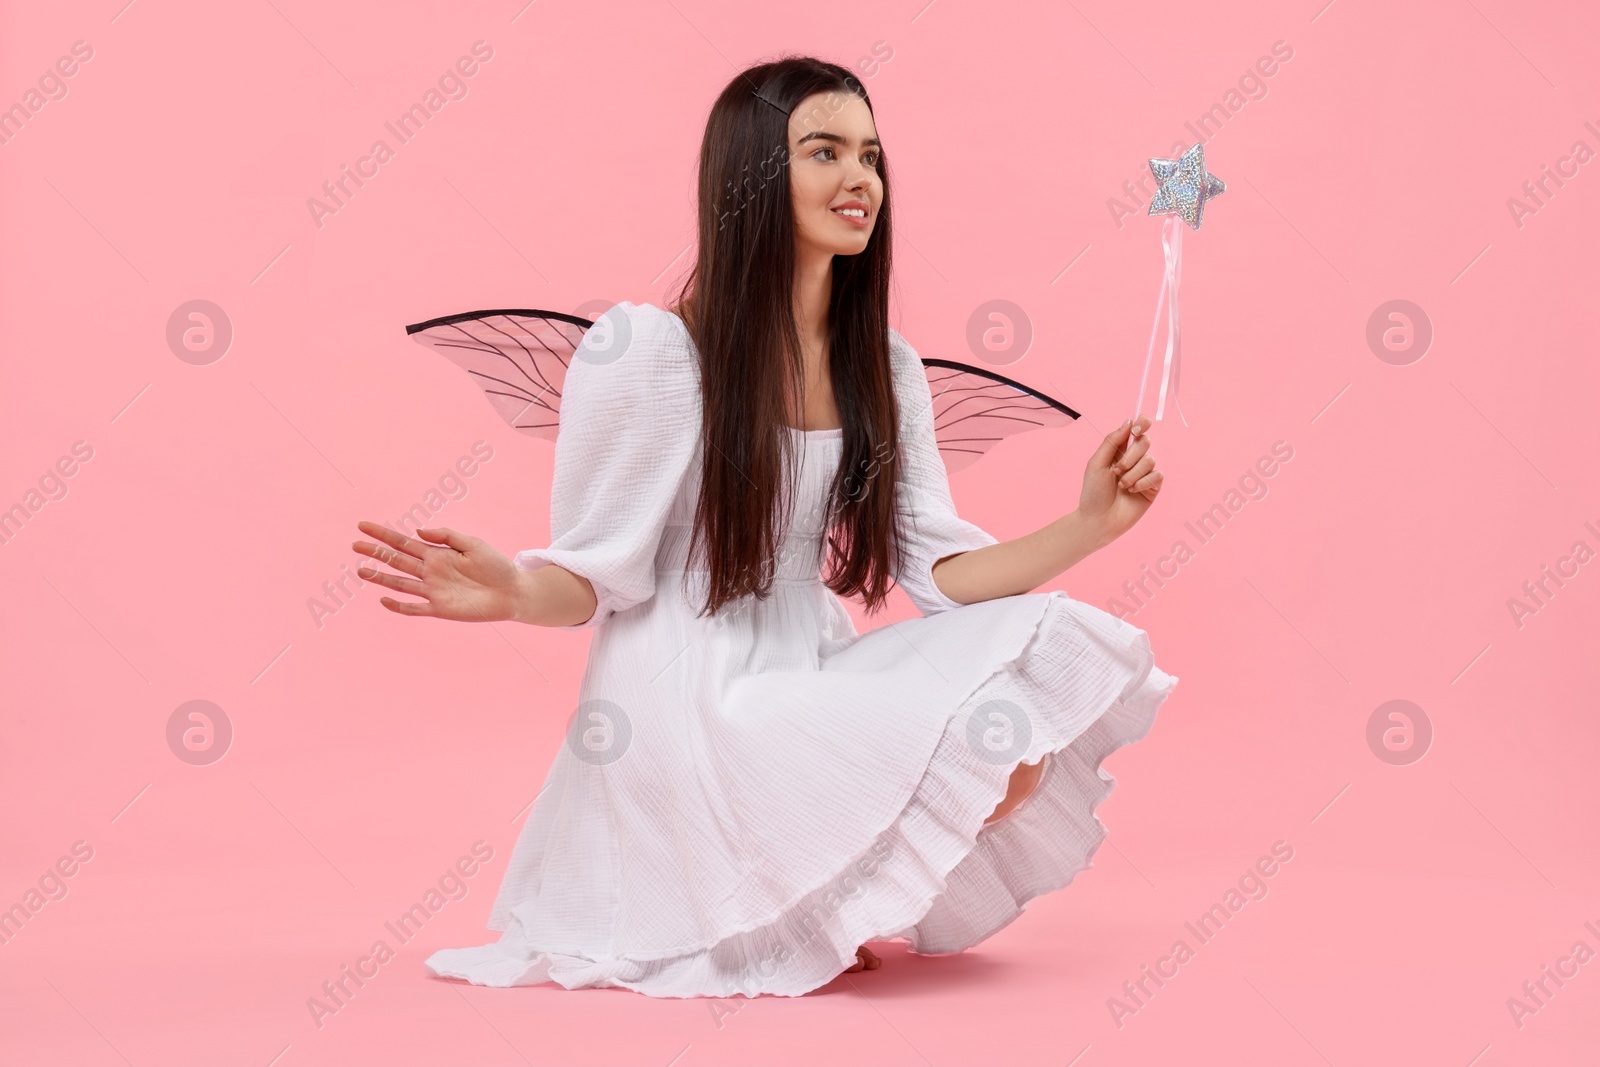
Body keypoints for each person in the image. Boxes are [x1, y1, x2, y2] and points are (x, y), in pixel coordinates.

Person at [351, 55, 1176, 998]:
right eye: (823, 151)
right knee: (934, 748)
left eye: (870, 155)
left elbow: (940, 574)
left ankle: (805, 904)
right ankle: (782, 908)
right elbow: (600, 572)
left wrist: (1089, 525)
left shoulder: (887, 367)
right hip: (684, 692)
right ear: (751, 175)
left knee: (1011, 737)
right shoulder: (655, 351)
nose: (859, 178)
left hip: (803, 660)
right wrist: (511, 589)